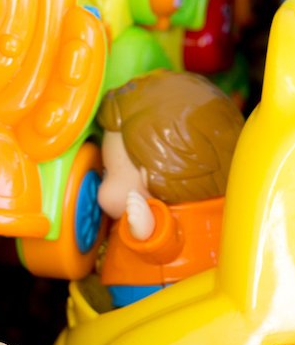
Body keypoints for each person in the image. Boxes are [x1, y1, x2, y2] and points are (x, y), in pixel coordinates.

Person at [96, 71, 243, 306]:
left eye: (109, 172)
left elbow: (170, 244)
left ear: (151, 174)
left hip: (159, 299)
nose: (99, 190)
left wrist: (150, 232)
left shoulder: (159, 222)